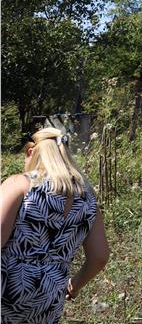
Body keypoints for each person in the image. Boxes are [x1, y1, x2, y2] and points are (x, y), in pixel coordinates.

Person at [1, 127, 109, 324]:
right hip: (50, 294)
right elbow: (99, 257)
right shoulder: (88, 199)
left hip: (7, 288)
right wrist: (74, 286)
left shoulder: (19, 184)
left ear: (31, 152)